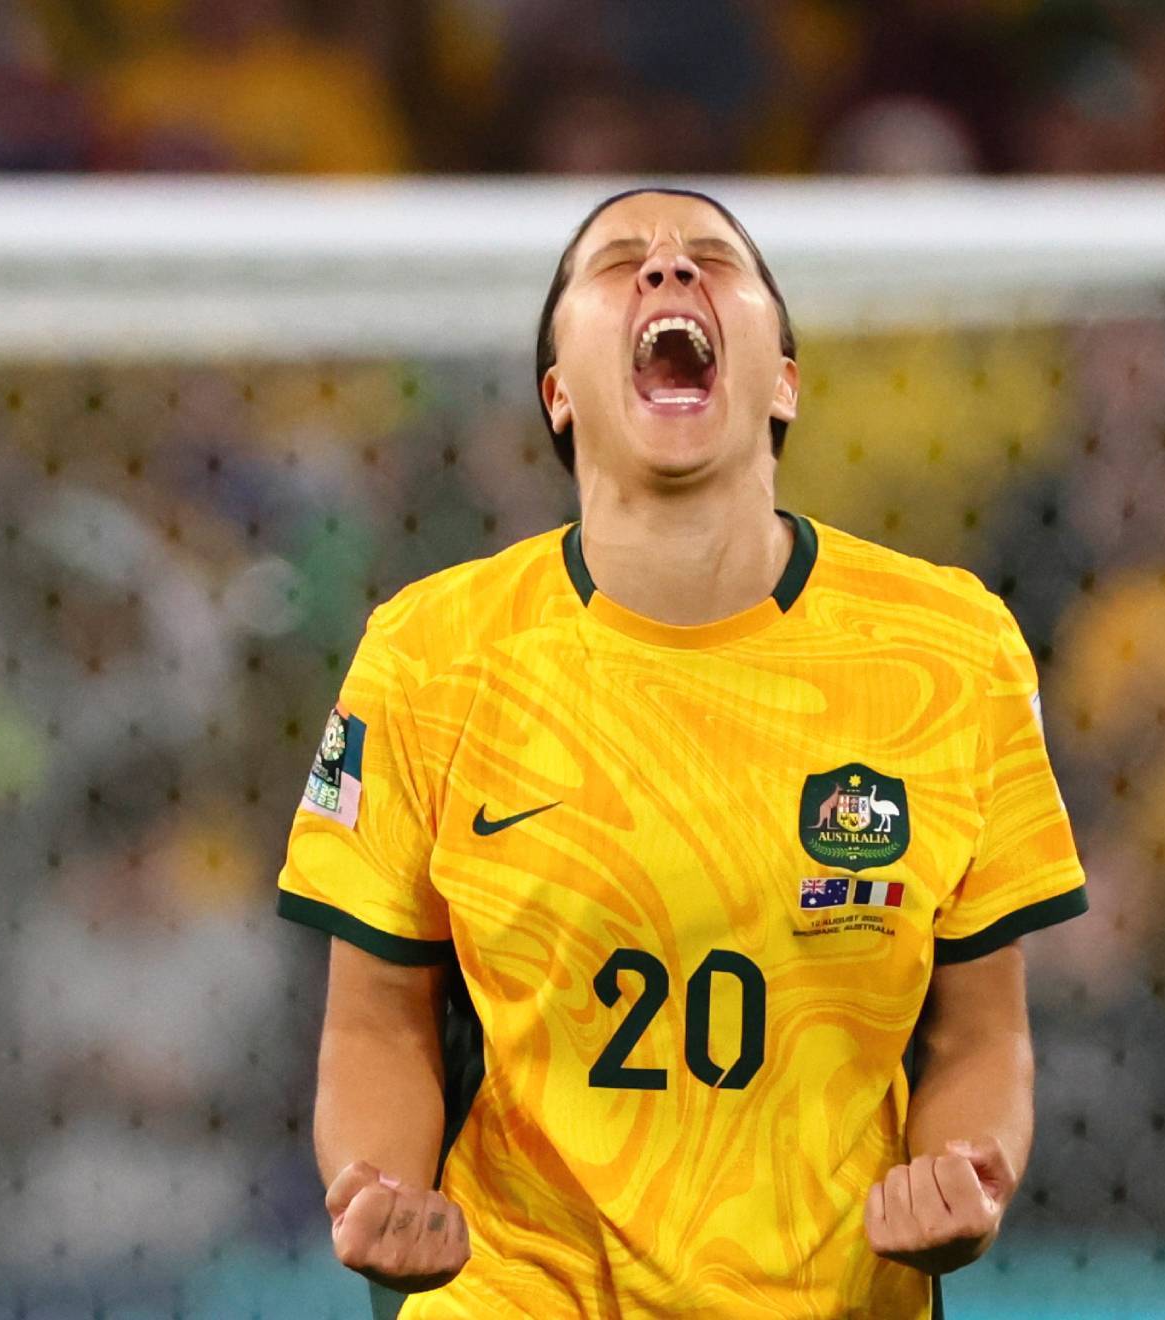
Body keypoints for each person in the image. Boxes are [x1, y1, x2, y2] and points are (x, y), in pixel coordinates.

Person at [276, 188, 1088, 1317]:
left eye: (713, 256)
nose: (666, 271)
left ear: (785, 379)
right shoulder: (431, 653)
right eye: (618, 263)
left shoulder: (950, 650)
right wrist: (378, 1189)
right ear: (559, 394)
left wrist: (967, 1174)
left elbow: (983, 1027)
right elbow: (375, 1019)